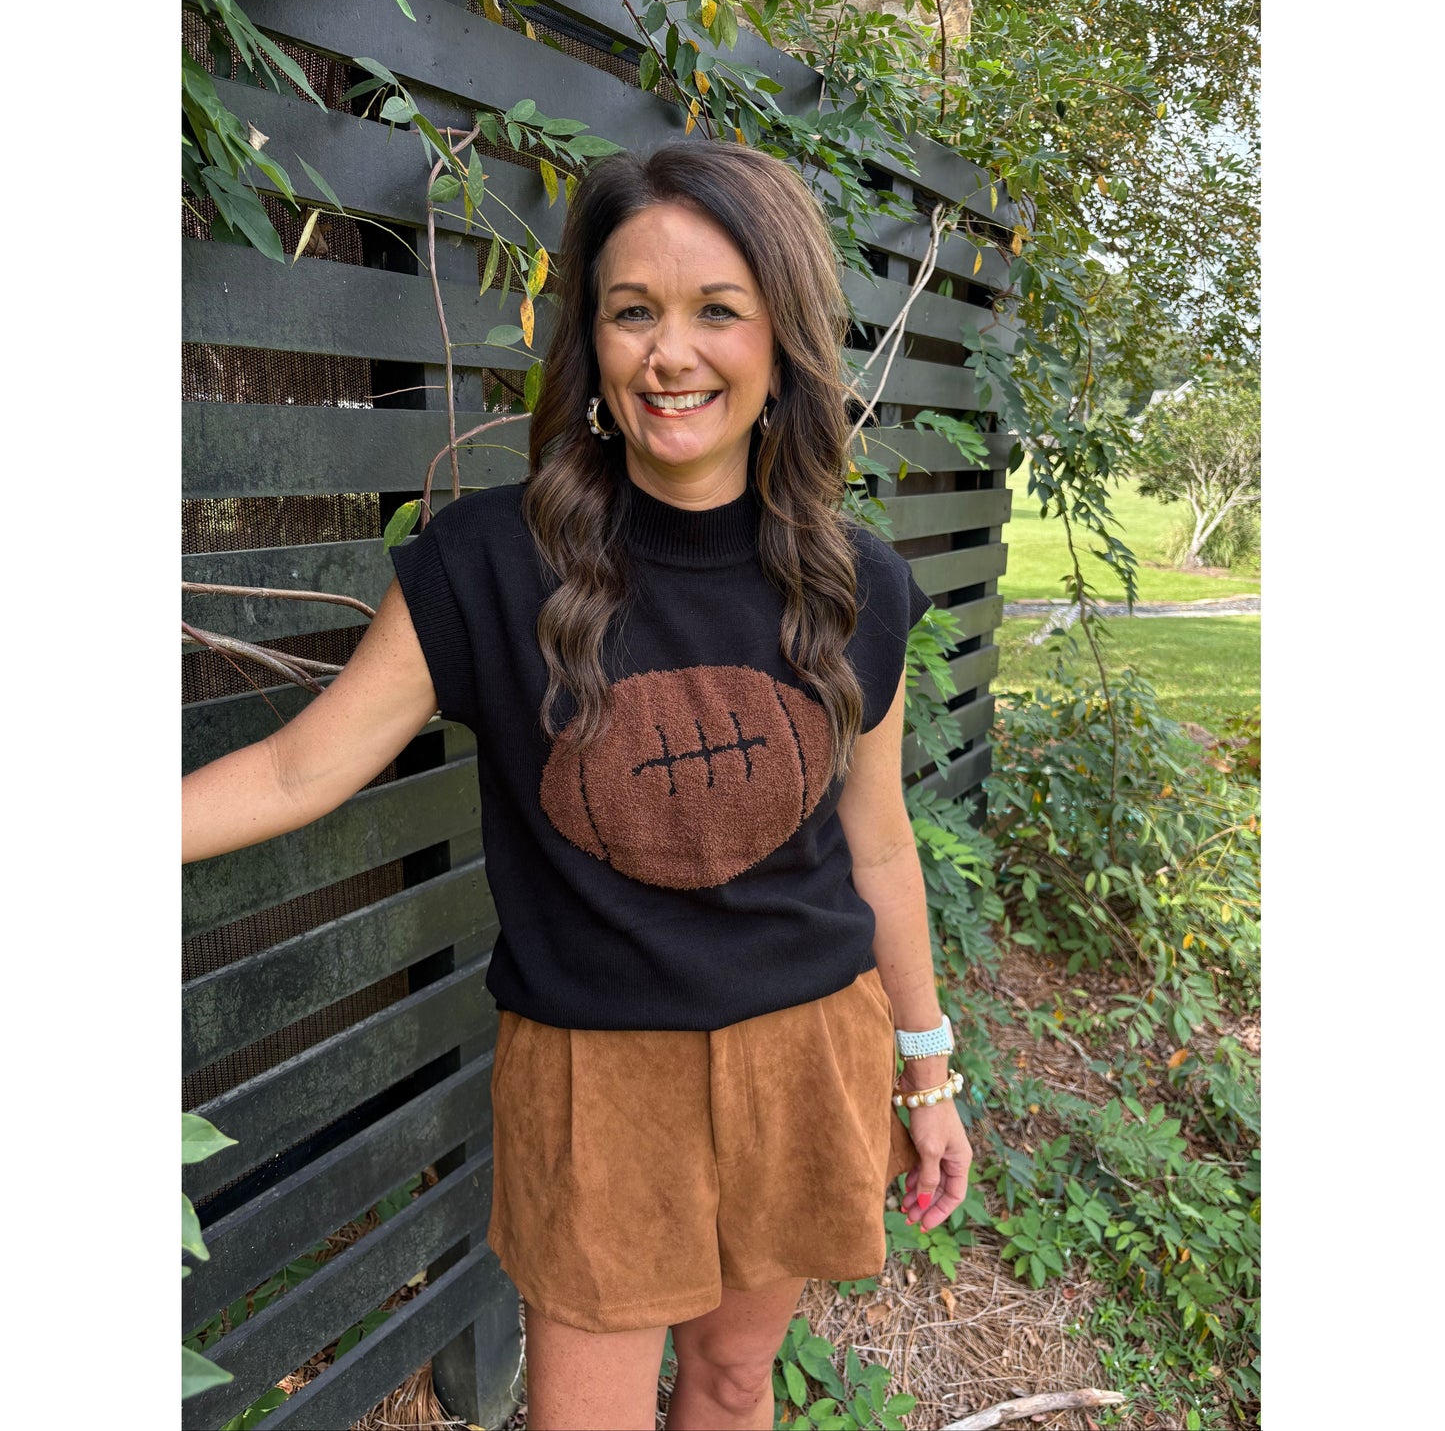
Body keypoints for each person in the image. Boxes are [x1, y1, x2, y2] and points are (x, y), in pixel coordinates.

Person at [183, 140, 973, 1431]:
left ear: (782, 336)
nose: (670, 355)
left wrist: (926, 1066)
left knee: (730, 1378)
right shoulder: (486, 563)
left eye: (717, 310)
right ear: (590, 341)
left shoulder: (857, 582)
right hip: (595, 1075)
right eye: (632, 311)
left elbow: (877, 846)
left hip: (805, 1046)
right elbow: (294, 766)